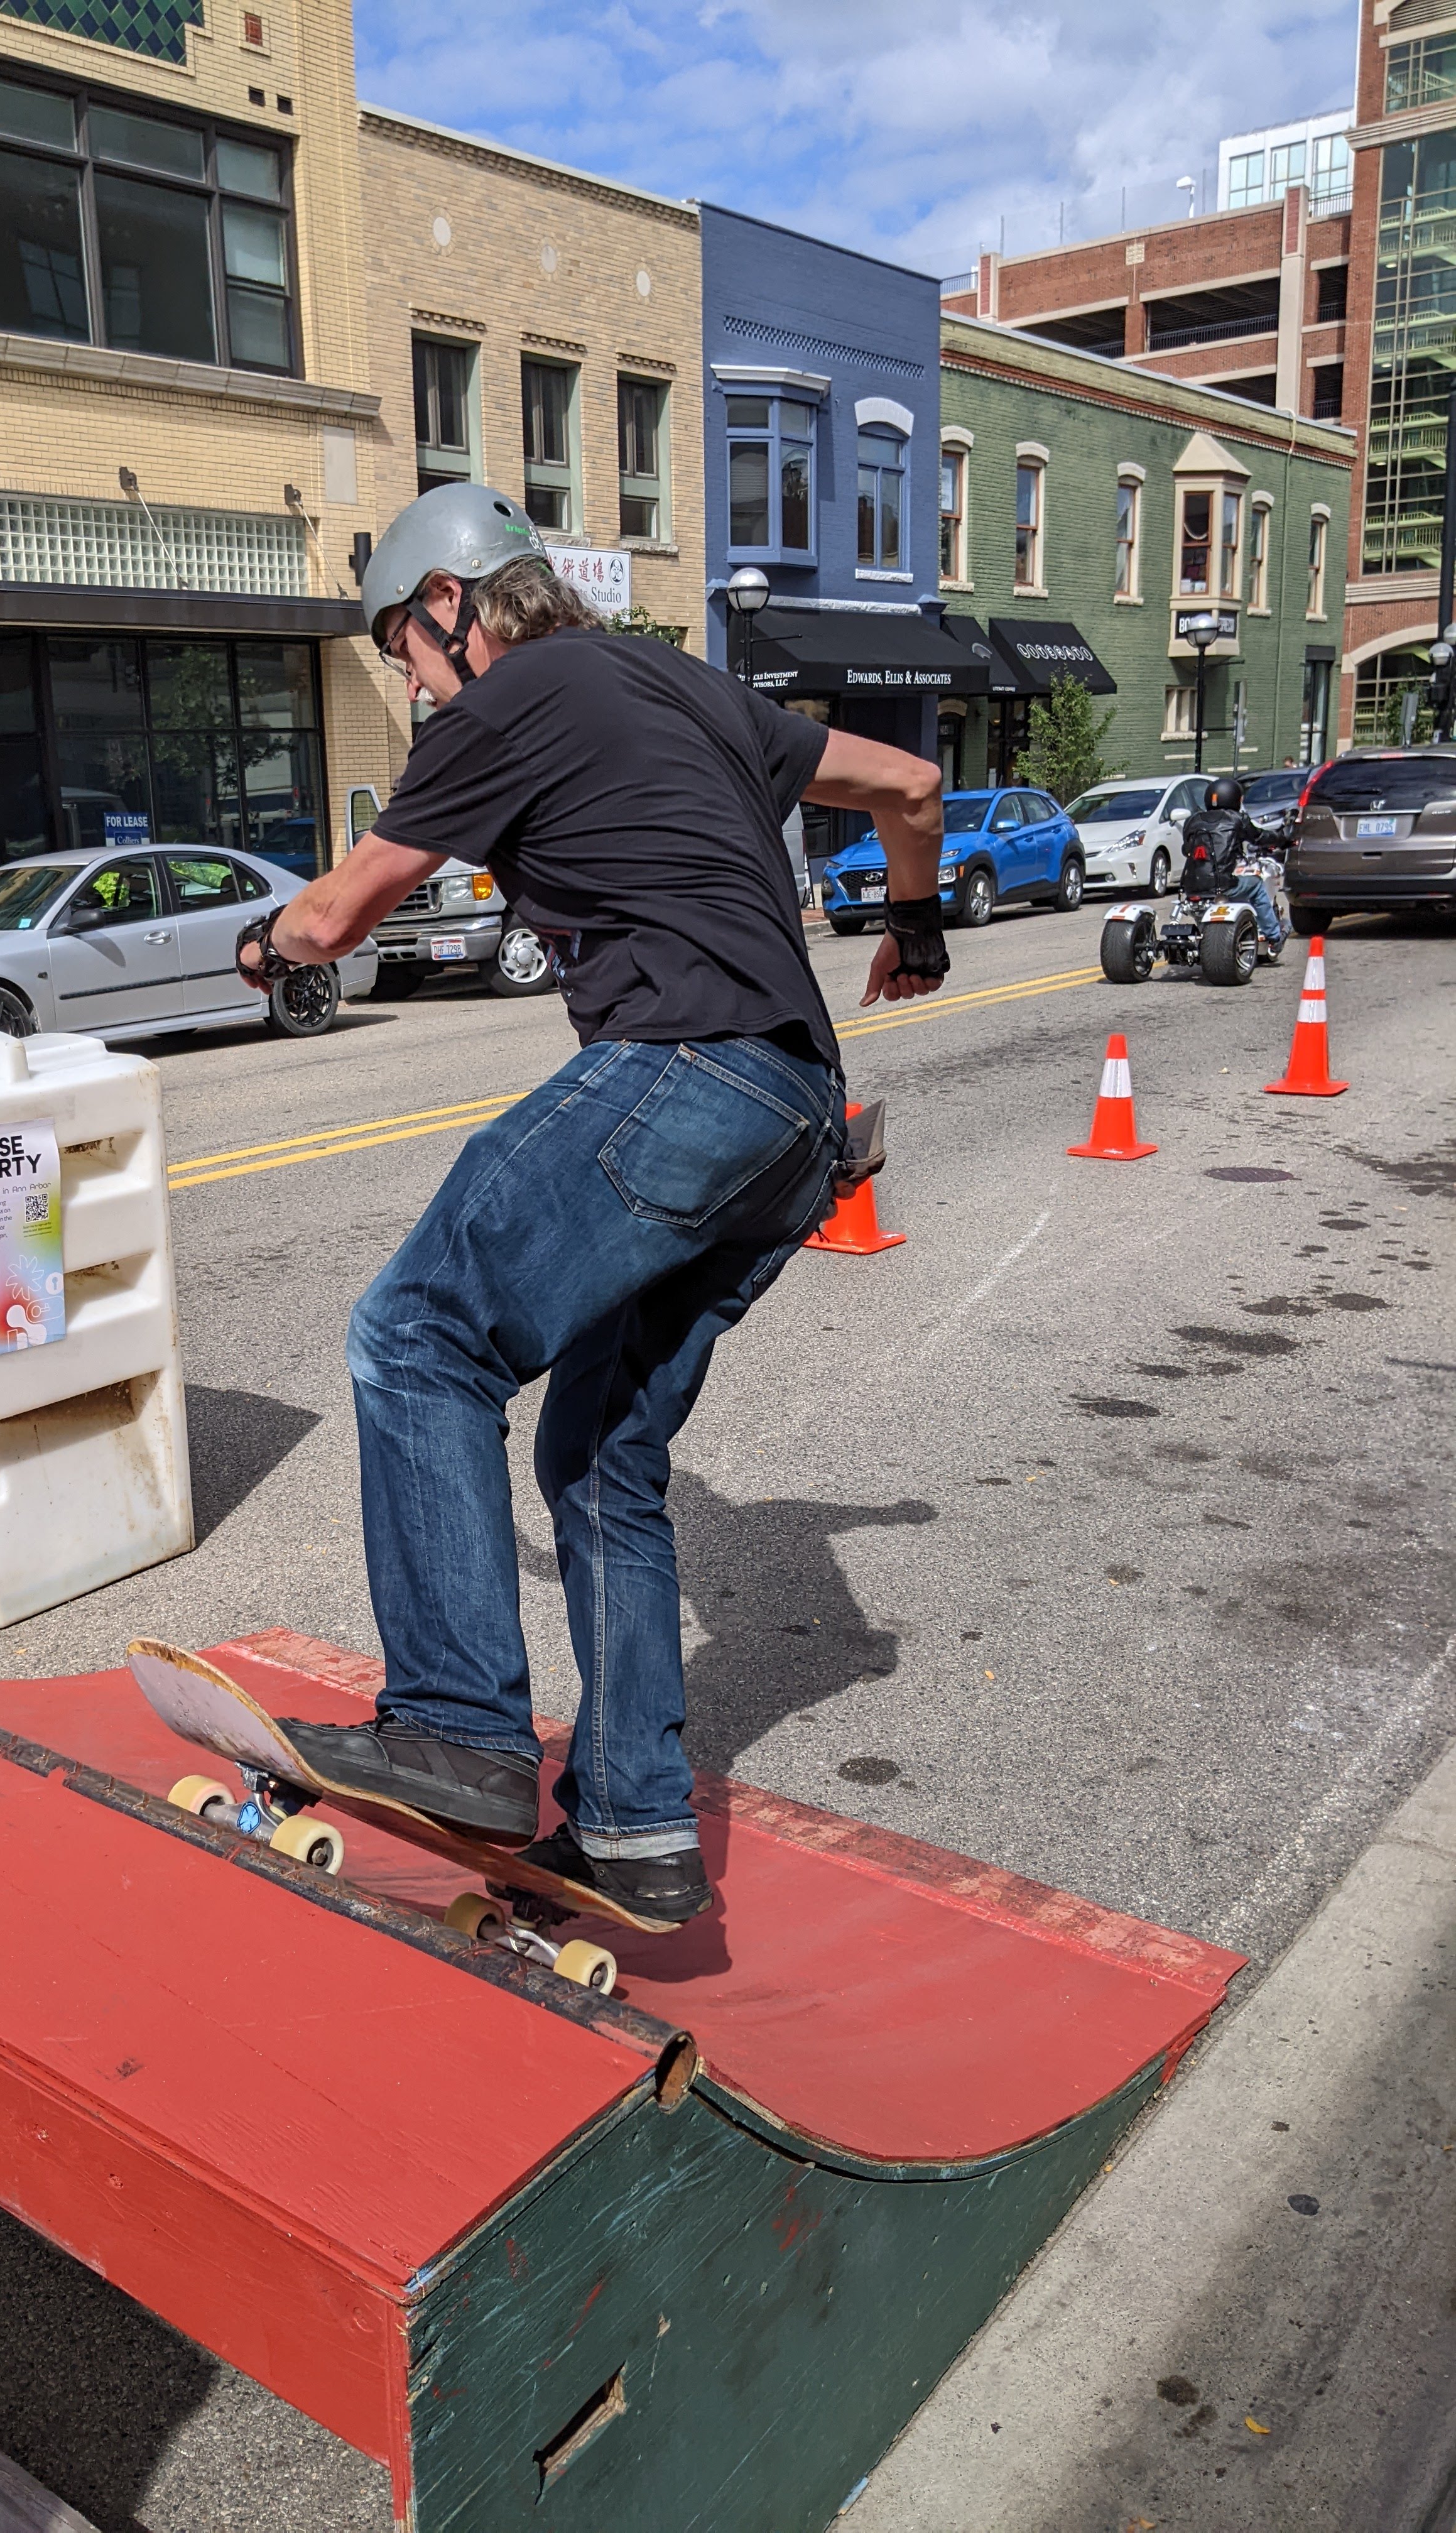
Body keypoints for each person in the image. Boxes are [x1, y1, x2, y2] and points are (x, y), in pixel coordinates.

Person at [235, 482, 945, 1924]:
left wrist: (267, 942)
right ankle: (632, 1829)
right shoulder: (688, 686)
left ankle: (456, 1727)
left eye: (405, 654)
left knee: (421, 1332)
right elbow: (910, 790)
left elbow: (337, 916)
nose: (413, 689)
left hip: (685, 1073)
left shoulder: (510, 697)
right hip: (798, 1117)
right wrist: (915, 925)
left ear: (450, 607)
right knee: (602, 1458)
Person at [1182, 776, 1287, 958]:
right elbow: (1259, 837)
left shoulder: (1193, 821)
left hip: (1190, 886)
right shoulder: (1237, 819)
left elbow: (1186, 849)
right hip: (1222, 885)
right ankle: (1274, 936)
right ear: (1235, 799)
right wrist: (1283, 838)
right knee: (1255, 884)